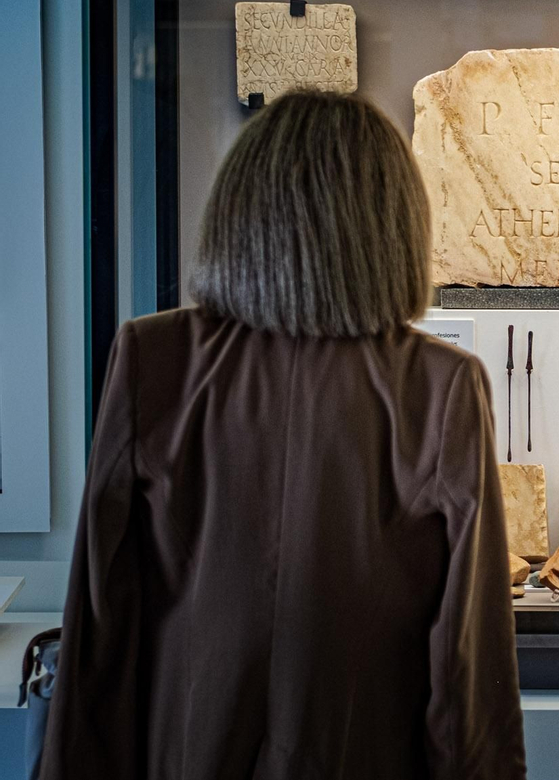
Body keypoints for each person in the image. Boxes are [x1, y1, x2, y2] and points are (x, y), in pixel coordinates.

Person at [41, 90, 527, 779]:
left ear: (238, 211)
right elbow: (466, 663)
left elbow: (100, 618)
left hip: (183, 751)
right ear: (393, 224)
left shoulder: (155, 360)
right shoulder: (440, 386)